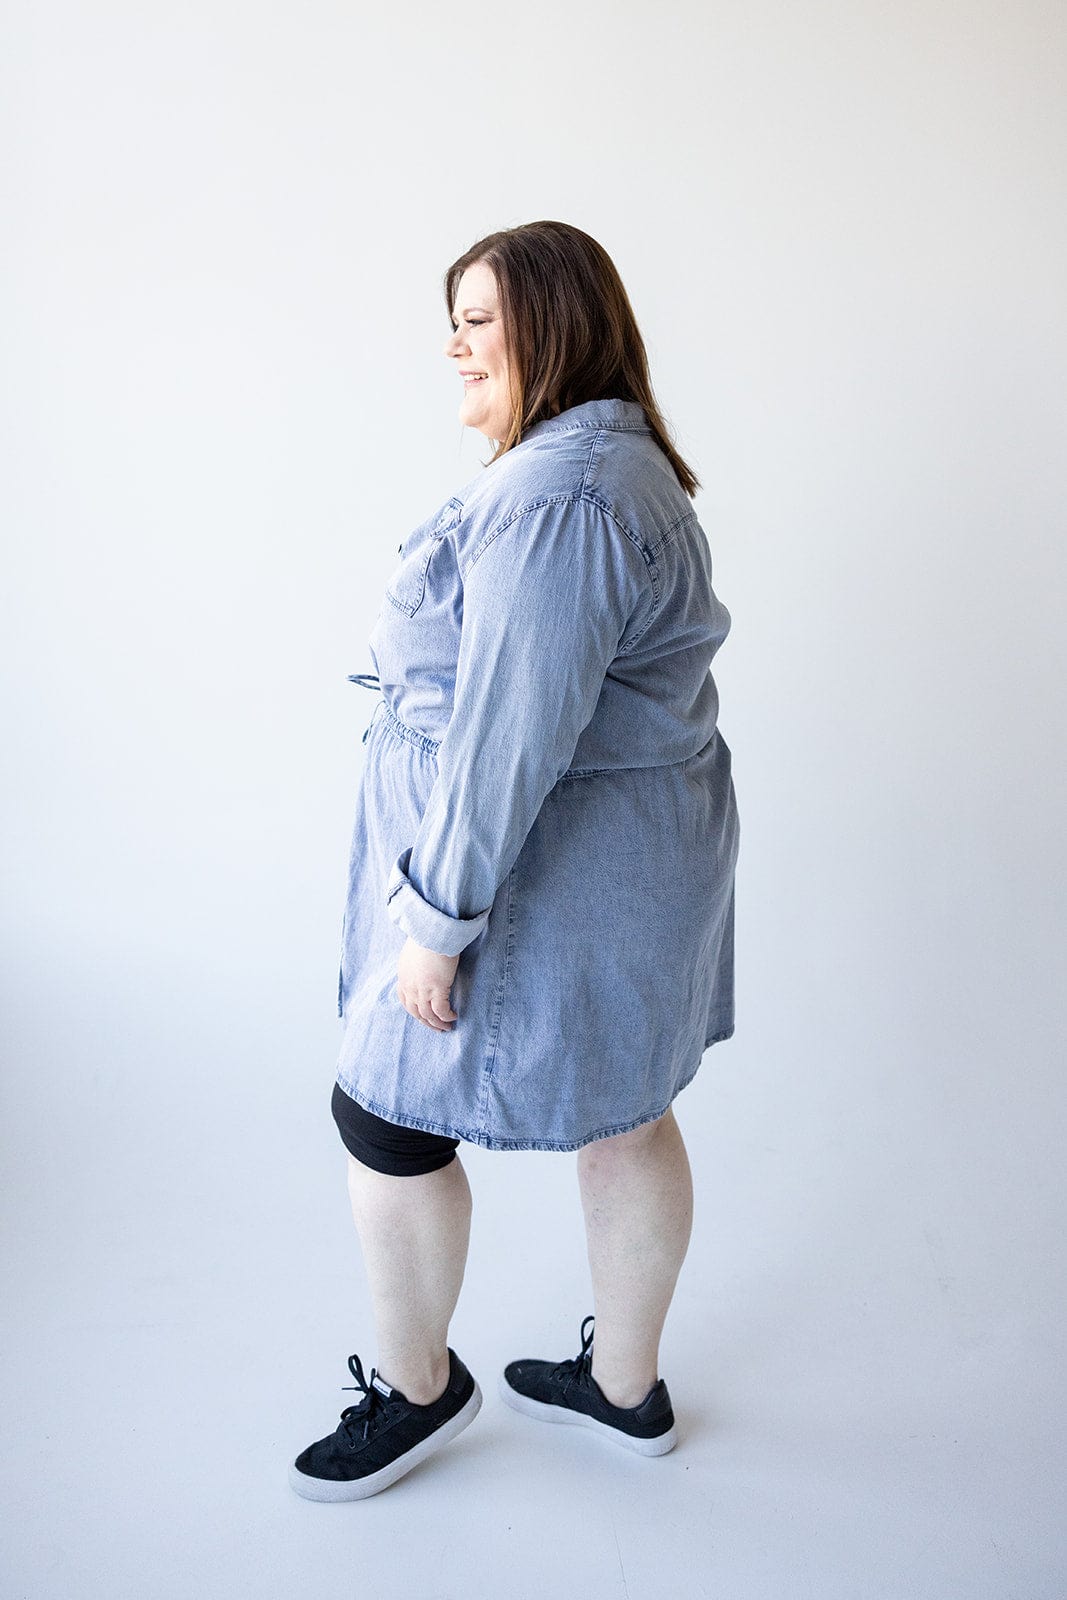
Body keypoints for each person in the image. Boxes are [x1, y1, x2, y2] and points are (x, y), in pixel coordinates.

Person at [289, 220, 740, 1502]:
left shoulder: (564, 499)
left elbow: (507, 737)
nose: (454, 344)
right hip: (627, 860)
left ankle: (421, 1392)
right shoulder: (603, 463)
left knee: (380, 1114)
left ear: (554, 324)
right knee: (629, 1105)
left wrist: (437, 924)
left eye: (479, 319)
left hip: (552, 873)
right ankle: (624, 1391)